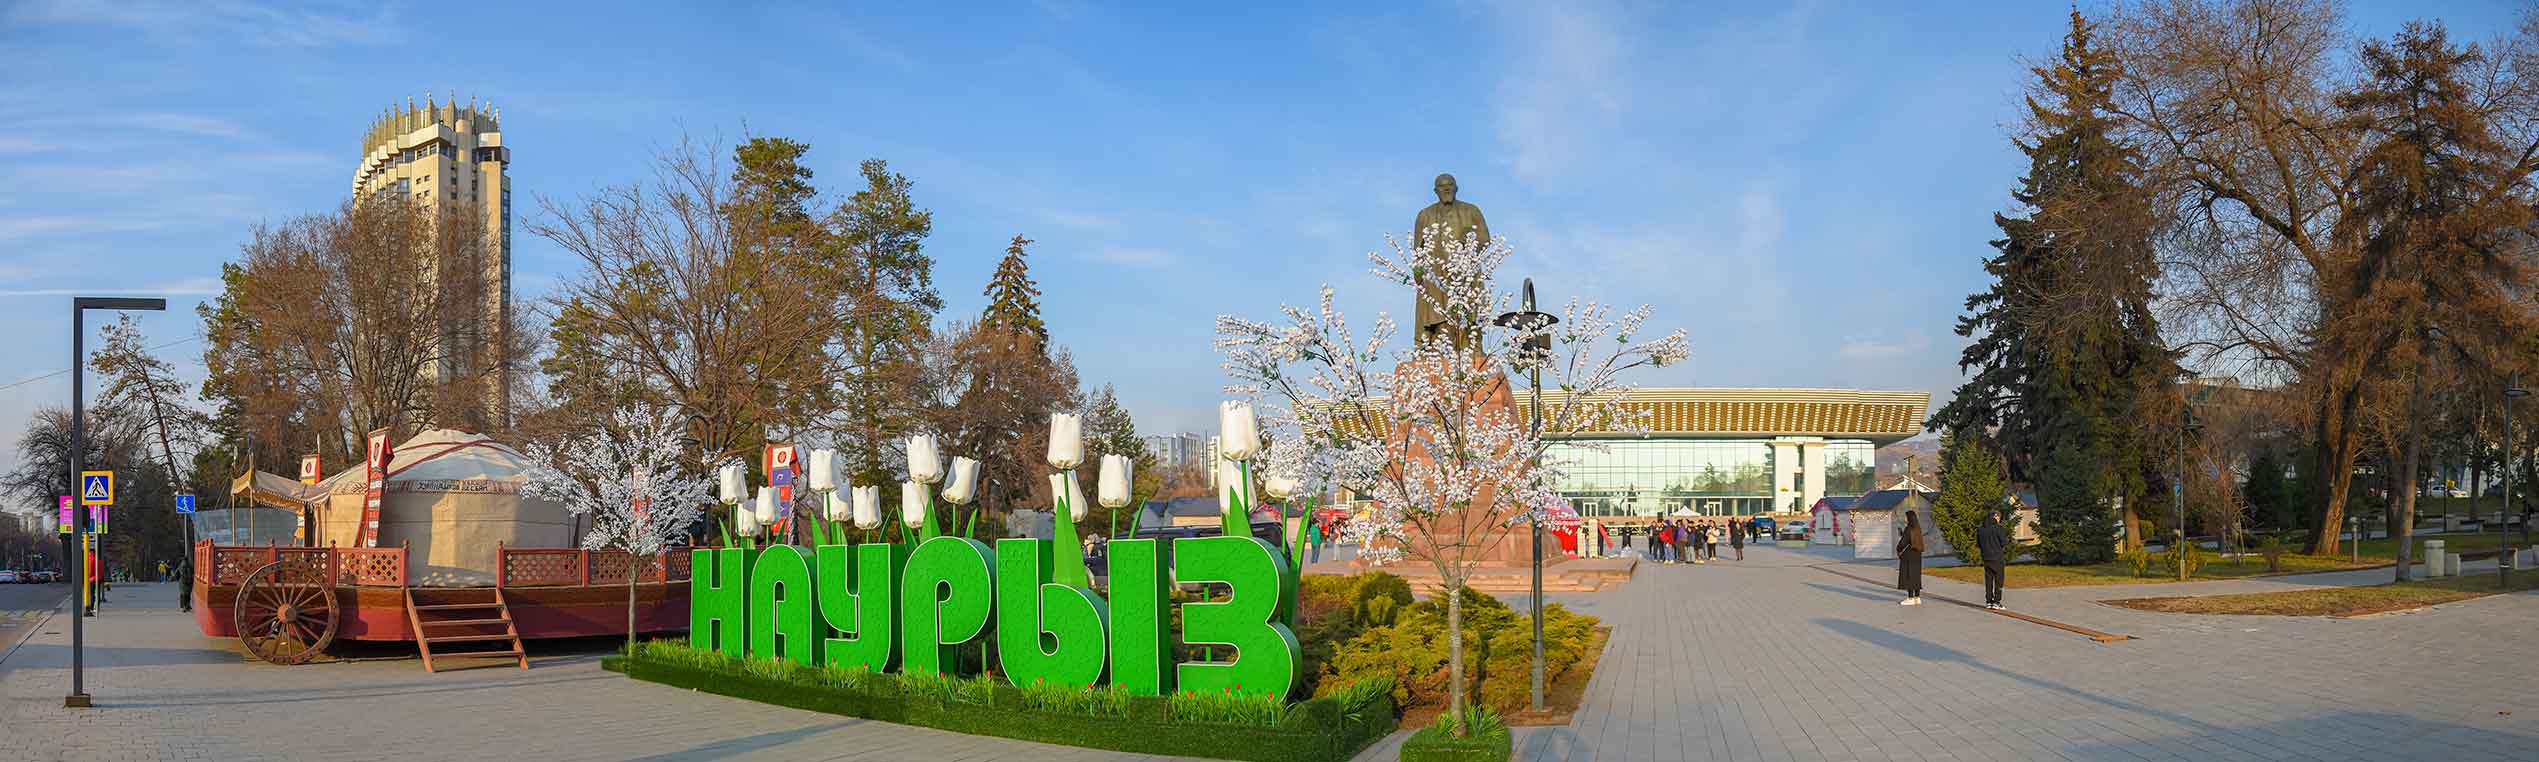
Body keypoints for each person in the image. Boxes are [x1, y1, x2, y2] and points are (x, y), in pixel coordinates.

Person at [1977, 510, 2009, 610]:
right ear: (1996, 517)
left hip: (1986, 558)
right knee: (1999, 580)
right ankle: (1996, 602)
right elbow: (2004, 542)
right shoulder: (1998, 528)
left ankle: (1989, 602)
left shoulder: (1980, 529)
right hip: (1997, 558)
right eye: (1999, 518)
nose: (1999, 520)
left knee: (1989, 580)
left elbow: (1978, 544)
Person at [1897, 510, 1926, 606]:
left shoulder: (1909, 528)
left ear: (1909, 518)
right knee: (1916, 575)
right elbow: (1913, 539)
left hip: (1909, 555)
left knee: (1909, 575)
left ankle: (1910, 598)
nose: (1905, 518)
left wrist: (1898, 548)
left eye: (1906, 517)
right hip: (1917, 554)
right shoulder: (1918, 528)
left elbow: (1903, 542)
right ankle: (1917, 597)